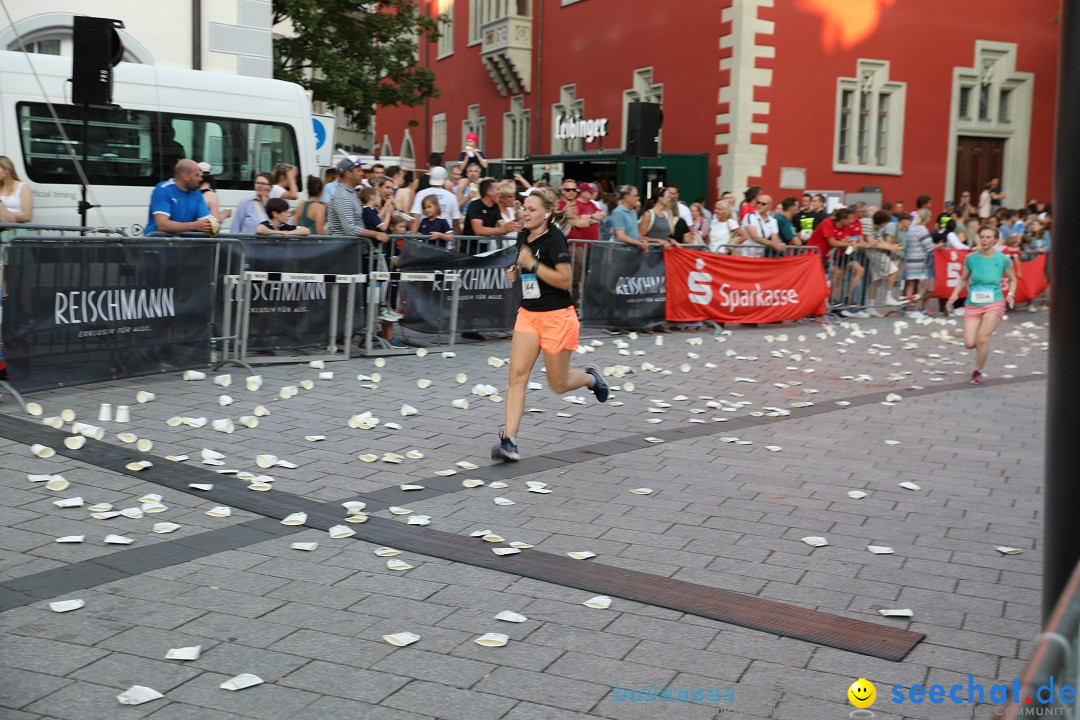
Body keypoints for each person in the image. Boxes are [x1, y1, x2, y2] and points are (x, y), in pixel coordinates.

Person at [493, 187, 608, 461]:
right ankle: (509, 441)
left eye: (532, 209)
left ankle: (591, 378)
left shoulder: (556, 239)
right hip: (529, 315)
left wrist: (531, 264)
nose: (526, 213)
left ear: (547, 213)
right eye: (524, 208)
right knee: (516, 377)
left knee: (558, 384)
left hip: (557, 317)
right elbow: (525, 266)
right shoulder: (523, 234)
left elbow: (564, 280)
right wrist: (516, 271)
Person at [947, 225, 1017, 385]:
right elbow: (963, 279)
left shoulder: (1003, 259)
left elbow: (1013, 278)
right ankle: (978, 351)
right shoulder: (971, 258)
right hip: (973, 304)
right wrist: (955, 293)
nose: (984, 240)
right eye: (982, 237)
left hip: (994, 302)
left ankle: (977, 371)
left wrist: (1011, 294)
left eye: (988, 237)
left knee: (982, 339)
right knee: (969, 343)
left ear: (995, 240)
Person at [145, 159, 213, 235]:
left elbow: (208, 223)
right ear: (185, 176)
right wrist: (194, 225)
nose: (201, 179)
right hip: (158, 243)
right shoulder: (163, 189)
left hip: (182, 244)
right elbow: (162, 225)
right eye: (197, 175)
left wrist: (213, 225)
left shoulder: (197, 193)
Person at [467, 178, 521, 250]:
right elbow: (478, 230)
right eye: (498, 189)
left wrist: (515, 220)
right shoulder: (475, 205)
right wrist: (502, 230)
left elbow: (503, 225)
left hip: (486, 249)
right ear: (489, 192)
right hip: (470, 249)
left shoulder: (495, 206)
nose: (500, 192)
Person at [901, 209, 935, 318]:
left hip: (910, 258)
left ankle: (909, 306)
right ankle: (916, 304)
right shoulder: (922, 230)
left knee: (911, 283)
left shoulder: (911, 228)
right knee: (925, 282)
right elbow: (929, 246)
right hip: (920, 260)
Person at [409, 166, 460, 233]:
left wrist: (413, 237)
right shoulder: (451, 196)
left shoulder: (421, 194)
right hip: (445, 239)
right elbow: (455, 222)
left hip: (424, 239)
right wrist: (460, 237)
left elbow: (415, 219)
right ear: (444, 179)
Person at [325, 156, 366, 239]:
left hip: (351, 248)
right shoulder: (342, 195)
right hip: (345, 249)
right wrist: (375, 234)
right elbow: (350, 229)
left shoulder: (350, 193)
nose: (362, 173)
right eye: (359, 170)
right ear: (348, 174)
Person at [610, 185, 647, 251]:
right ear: (628, 198)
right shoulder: (618, 212)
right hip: (621, 253)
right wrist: (639, 243)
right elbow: (621, 237)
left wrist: (641, 239)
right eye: (636, 196)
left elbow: (634, 232)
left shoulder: (633, 212)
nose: (638, 198)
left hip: (633, 252)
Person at [0, 155, 33, 224]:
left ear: (7, 169)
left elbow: (27, 216)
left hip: (16, 229)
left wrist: (4, 214)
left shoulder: (23, 187)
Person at [196, 162, 231, 226]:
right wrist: (225, 214)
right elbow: (215, 222)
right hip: (202, 234)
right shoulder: (211, 196)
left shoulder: (192, 193)